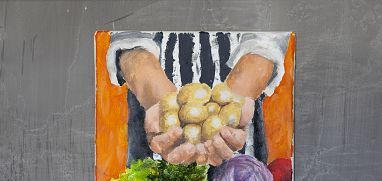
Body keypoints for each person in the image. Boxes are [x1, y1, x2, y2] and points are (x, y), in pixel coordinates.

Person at [106, 32, 291, 166]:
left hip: (242, 84)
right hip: (150, 93)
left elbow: (269, 33)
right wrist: (156, 98)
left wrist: (240, 93)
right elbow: (127, 34)